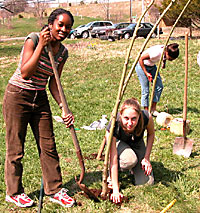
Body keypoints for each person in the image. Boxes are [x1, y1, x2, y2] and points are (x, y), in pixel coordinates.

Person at [3, 8, 76, 208]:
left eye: (68, 27)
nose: (63, 29)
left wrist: (63, 107)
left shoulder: (62, 52)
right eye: (60, 25)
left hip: (40, 96)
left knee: (48, 145)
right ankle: (14, 192)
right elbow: (26, 72)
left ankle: (54, 189)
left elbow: (54, 82)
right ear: (51, 24)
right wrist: (41, 46)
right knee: (16, 147)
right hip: (18, 95)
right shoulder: (34, 39)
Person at [106, 98, 155, 204]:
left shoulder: (146, 117)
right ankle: (112, 177)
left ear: (139, 117)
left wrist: (146, 158)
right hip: (119, 143)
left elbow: (151, 134)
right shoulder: (114, 125)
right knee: (129, 160)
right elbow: (113, 158)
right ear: (121, 115)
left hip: (136, 143)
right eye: (126, 118)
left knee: (147, 182)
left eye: (134, 119)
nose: (129, 123)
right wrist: (115, 189)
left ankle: (135, 165)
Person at [135, 43, 179, 115]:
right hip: (141, 66)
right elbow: (141, 58)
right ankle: (146, 112)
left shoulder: (167, 49)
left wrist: (164, 63)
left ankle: (153, 109)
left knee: (159, 86)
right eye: (170, 58)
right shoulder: (155, 53)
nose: (170, 60)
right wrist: (146, 73)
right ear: (167, 52)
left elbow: (164, 56)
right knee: (146, 90)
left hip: (152, 66)